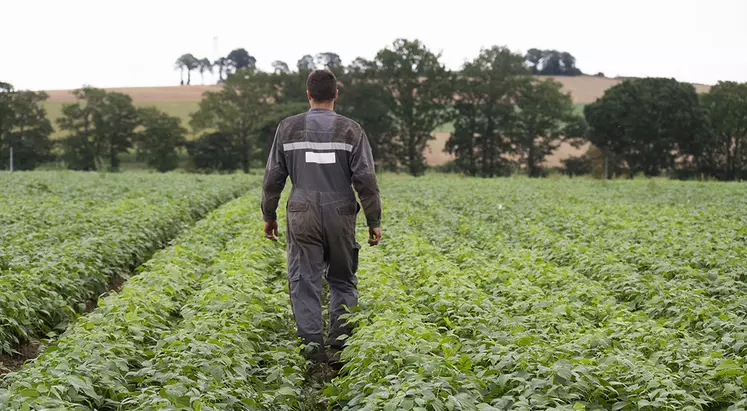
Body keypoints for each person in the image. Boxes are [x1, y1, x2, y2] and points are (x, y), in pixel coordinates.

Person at [261, 69, 382, 365]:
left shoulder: (287, 129)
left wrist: (269, 214)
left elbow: (273, 177)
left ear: (308, 94)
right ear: (336, 94)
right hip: (341, 213)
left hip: (301, 212)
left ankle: (313, 353)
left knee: (304, 281)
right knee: (342, 278)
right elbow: (366, 180)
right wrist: (373, 220)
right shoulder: (351, 130)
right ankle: (340, 349)